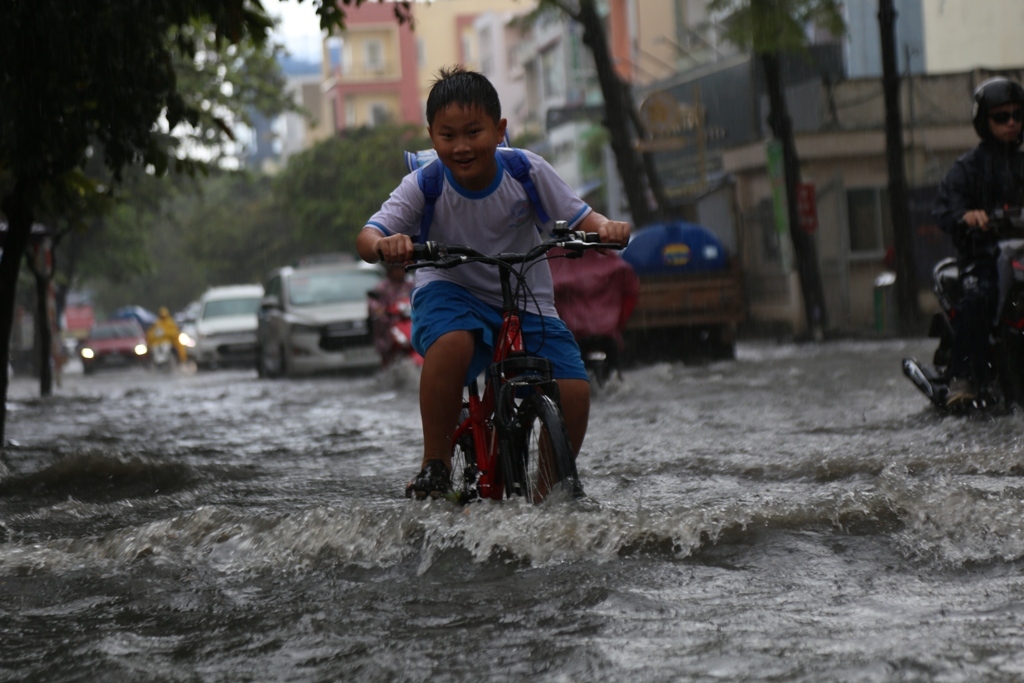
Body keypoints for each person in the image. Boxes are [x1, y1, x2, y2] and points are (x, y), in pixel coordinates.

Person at [356, 65, 631, 499]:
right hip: (449, 290)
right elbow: (368, 235)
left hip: (525, 296)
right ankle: (436, 463)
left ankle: (549, 493)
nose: (462, 146)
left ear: (499, 130)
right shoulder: (424, 183)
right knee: (454, 344)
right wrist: (386, 245)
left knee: (575, 390)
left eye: (474, 132)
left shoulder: (526, 170)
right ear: (432, 136)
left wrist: (607, 227)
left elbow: (584, 217)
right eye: (448, 136)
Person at [933, 76, 1024, 407]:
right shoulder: (968, 167)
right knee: (980, 295)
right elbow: (944, 207)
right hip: (983, 256)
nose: (1011, 122)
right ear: (984, 121)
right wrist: (966, 216)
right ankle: (964, 376)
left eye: (1017, 115)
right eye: (1002, 116)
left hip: (1021, 256)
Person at [368, 262, 415, 366]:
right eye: (396, 269)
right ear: (390, 270)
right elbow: (373, 302)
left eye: (401, 269)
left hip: (409, 320)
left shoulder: (411, 285)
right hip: (389, 323)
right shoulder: (382, 287)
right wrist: (378, 309)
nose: (399, 272)